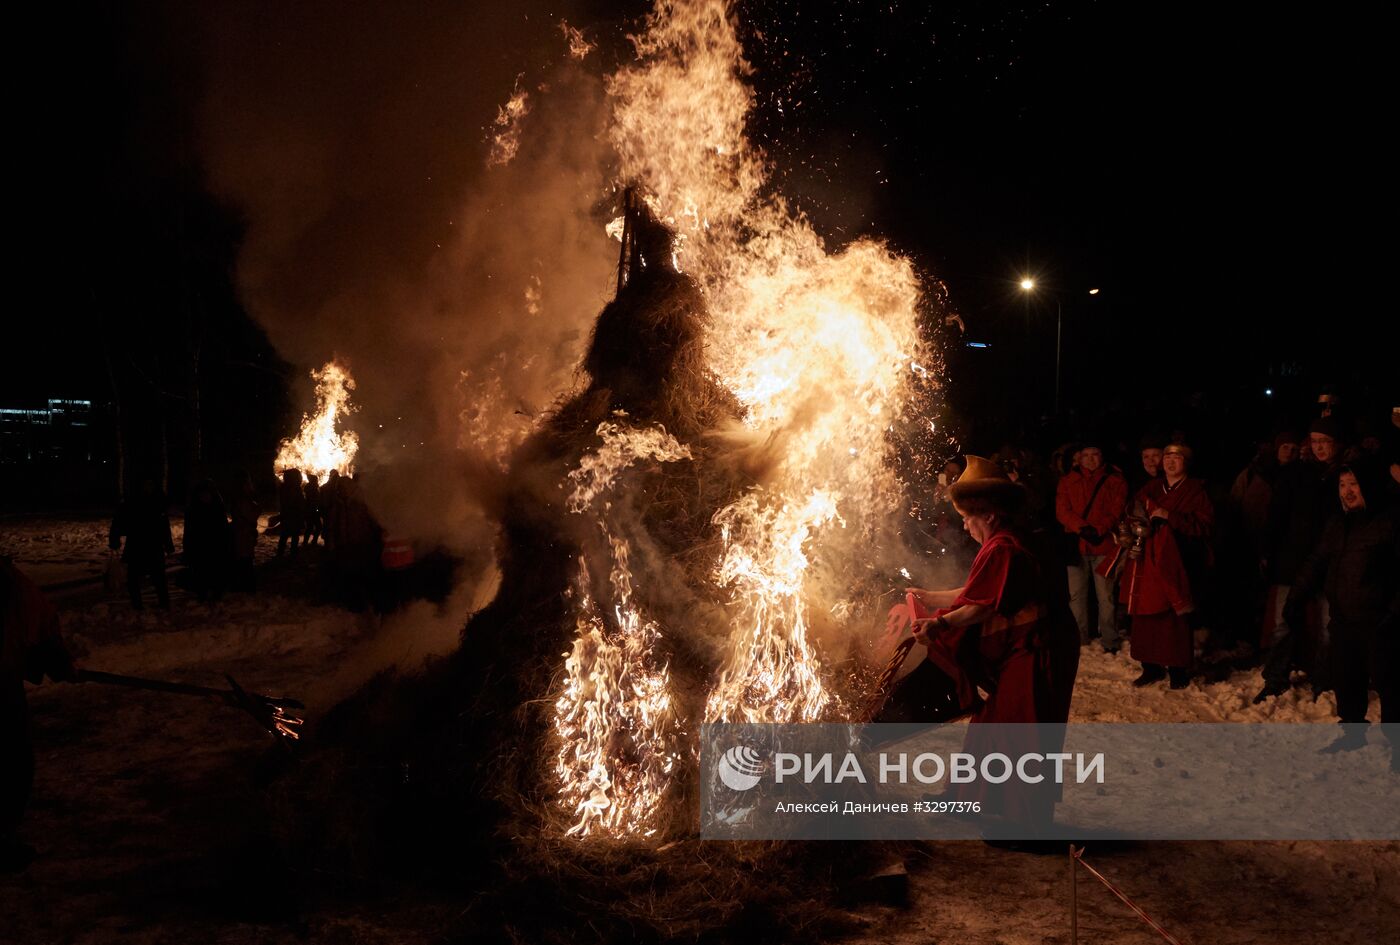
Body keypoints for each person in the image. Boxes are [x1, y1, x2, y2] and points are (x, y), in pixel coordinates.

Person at [890, 456, 1079, 834]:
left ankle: (1025, 822)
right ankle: (968, 796)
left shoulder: (1005, 547)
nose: (964, 524)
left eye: (969, 517)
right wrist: (933, 596)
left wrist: (940, 622)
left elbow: (981, 605)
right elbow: (980, 591)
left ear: (990, 515)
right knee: (991, 722)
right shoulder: (1005, 541)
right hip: (1026, 645)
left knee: (1023, 729)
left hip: (1038, 648)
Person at [1281, 461, 1398, 755]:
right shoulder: (1337, 523)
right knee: (1348, 680)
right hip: (1344, 619)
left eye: (1354, 484)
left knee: (1391, 685)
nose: (1347, 491)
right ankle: (1353, 733)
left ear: (1368, 486)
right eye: (1342, 485)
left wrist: (1394, 614)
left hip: (1379, 622)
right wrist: (1296, 596)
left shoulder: (1389, 522)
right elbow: (1317, 561)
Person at [1108, 443, 1214, 689]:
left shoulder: (1196, 490)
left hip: (1179, 561)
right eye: (1167, 457)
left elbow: (1205, 526)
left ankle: (1178, 670)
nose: (1170, 462)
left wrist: (1170, 517)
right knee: (1145, 615)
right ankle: (1150, 667)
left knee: (1173, 618)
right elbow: (1132, 511)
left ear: (1186, 462)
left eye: (1177, 458)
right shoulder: (1152, 487)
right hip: (1148, 561)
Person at [1257, 417, 1346, 701]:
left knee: (1328, 625)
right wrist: (1268, 552)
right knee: (1284, 622)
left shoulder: (1345, 475)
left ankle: (1324, 678)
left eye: (1325, 442)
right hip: (1292, 562)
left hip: (1332, 564)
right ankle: (1275, 677)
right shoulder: (1296, 474)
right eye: (1315, 441)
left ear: (1337, 444)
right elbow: (1277, 516)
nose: (1319, 447)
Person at [1, 557, 76, 871]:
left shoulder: (9, 581)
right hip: (1, 686)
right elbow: (41, 623)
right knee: (12, 760)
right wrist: (54, 657)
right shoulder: (8, 581)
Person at [1054, 440, 1128, 651]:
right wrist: (1082, 528)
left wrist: (1098, 529)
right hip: (1076, 547)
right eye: (1086, 455)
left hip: (1104, 547)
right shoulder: (1068, 481)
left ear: (1102, 456)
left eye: (1095, 454)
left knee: (1106, 596)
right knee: (1076, 595)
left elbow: (1117, 509)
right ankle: (1079, 637)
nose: (1090, 459)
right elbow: (1062, 511)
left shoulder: (1116, 480)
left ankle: (1110, 639)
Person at [108, 478, 175, 609]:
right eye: (146, 484)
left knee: (159, 577)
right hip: (136, 545)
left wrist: (168, 545)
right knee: (133, 578)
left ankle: (164, 603)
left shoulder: (158, 501)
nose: (148, 487)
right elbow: (118, 521)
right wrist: (114, 540)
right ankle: (137, 605)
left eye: (151, 484)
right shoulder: (132, 501)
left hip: (153, 545)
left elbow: (164, 525)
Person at [182, 479, 231, 603]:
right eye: (202, 495)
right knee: (201, 572)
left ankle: (216, 592)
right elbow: (189, 532)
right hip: (200, 547)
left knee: (216, 571)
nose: (205, 497)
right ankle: (202, 593)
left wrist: (226, 545)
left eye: (207, 494)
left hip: (215, 546)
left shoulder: (217, 508)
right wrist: (188, 549)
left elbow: (223, 528)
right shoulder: (194, 510)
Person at [230, 472, 260, 591]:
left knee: (244, 559)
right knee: (244, 560)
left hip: (243, 534)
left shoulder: (242, 498)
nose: (251, 485)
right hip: (242, 535)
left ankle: (243, 584)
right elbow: (251, 515)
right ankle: (245, 586)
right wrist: (257, 508)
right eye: (249, 483)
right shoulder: (243, 500)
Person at [276, 469, 306, 558]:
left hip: (287, 515)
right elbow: (294, 503)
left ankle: (281, 553)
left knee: (285, 535)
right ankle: (292, 553)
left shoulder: (284, 487)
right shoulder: (294, 489)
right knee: (293, 535)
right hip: (293, 515)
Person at [303, 474, 323, 547]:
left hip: (311, 510)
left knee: (312, 527)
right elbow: (314, 500)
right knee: (315, 527)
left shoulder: (310, 487)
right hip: (312, 511)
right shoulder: (312, 488)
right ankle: (309, 541)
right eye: (316, 479)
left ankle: (309, 541)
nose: (317, 481)